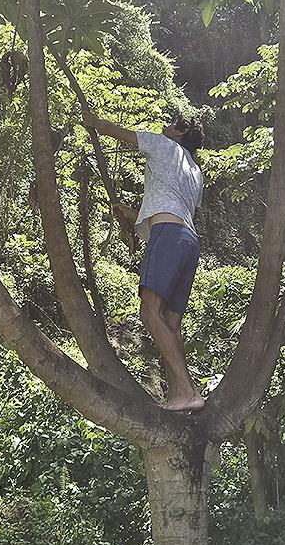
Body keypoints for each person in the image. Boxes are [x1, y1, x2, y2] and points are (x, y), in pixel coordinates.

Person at [82, 109, 206, 412]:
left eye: (169, 124)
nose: (163, 126)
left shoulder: (164, 145)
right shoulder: (194, 170)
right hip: (188, 241)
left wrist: (93, 121)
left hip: (167, 235)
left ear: (178, 132)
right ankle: (183, 395)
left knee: (150, 313)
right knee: (170, 323)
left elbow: (121, 133)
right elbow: (173, 204)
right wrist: (134, 215)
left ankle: (187, 391)